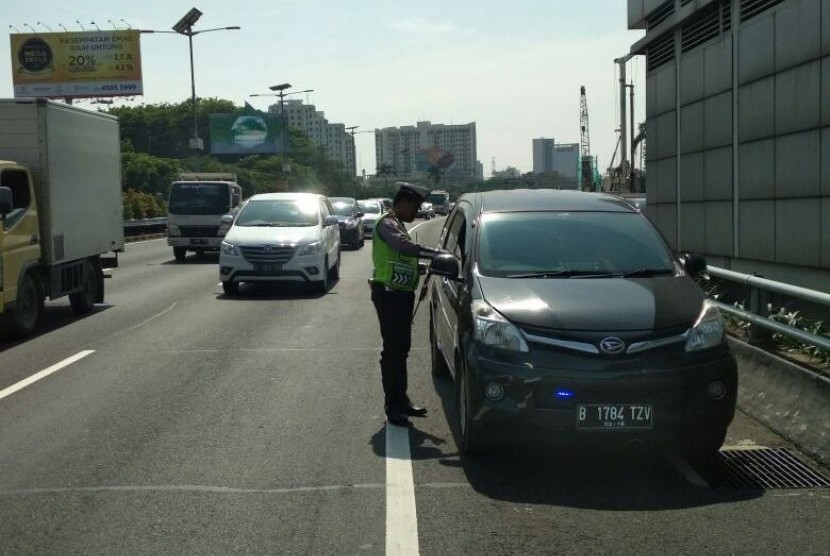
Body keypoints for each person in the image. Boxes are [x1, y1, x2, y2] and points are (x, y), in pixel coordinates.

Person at [370, 183, 441, 427]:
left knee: (401, 350)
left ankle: (402, 400)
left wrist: (423, 268)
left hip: (400, 295)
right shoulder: (387, 223)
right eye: (415, 207)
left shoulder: (397, 224)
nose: (416, 212)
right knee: (393, 351)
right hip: (388, 295)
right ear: (404, 203)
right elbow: (403, 247)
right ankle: (393, 406)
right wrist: (436, 254)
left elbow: (402, 260)